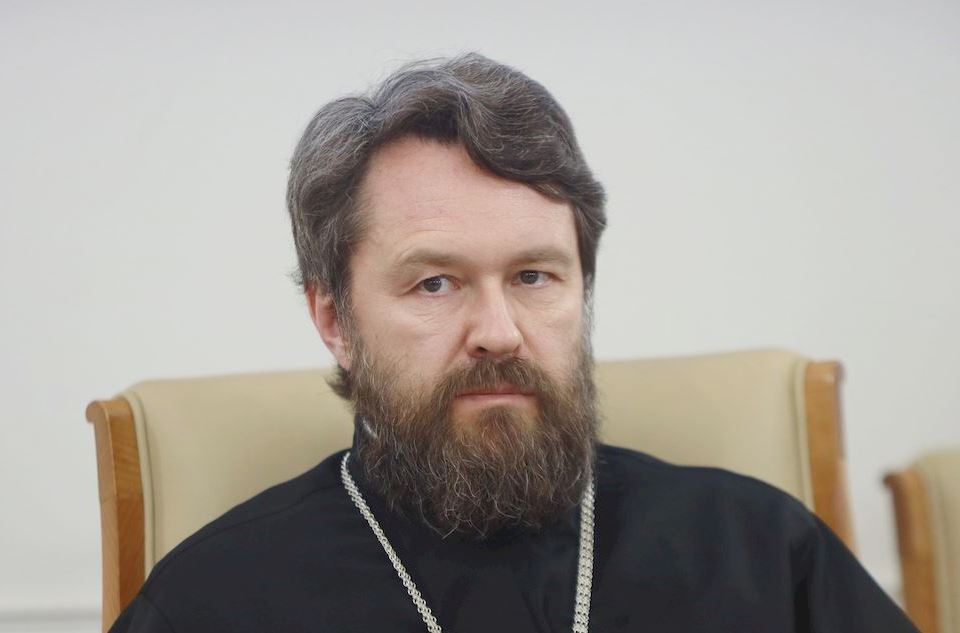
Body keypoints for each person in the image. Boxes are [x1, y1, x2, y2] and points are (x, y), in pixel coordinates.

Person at [109, 53, 918, 633]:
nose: (499, 333)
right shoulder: (212, 602)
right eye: (436, 283)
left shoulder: (760, 553)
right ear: (335, 321)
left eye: (534, 275)